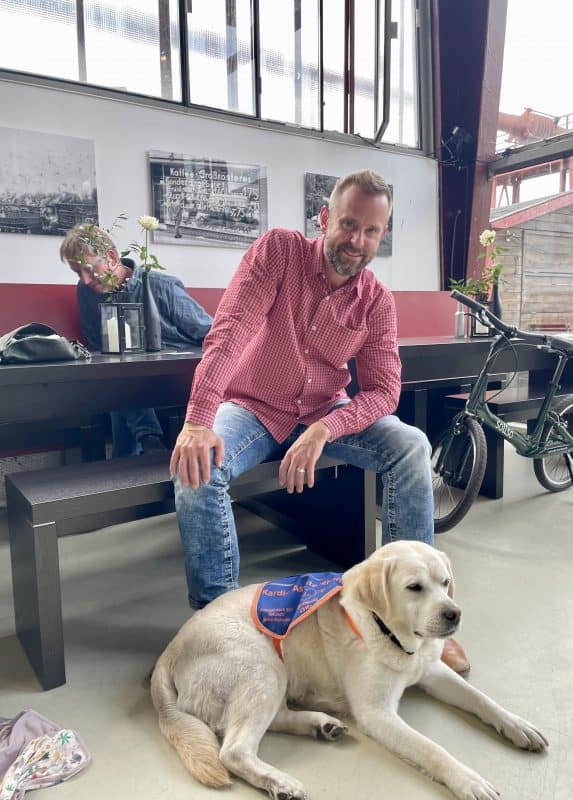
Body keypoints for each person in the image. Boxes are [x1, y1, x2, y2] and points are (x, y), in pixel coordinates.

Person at [169, 170, 469, 674]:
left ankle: (421, 626)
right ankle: (218, 625)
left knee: (412, 445)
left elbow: (383, 391)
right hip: (252, 407)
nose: (358, 241)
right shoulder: (279, 252)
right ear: (325, 217)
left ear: (382, 234)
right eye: (349, 224)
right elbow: (231, 331)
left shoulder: (376, 300)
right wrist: (199, 420)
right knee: (195, 468)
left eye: (372, 231)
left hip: (325, 413)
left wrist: (327, 428)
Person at [59, 224, 213, 457]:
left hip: (176, 378)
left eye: (89, 268)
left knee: (120, 389)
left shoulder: (161, 286)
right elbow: (97, 347)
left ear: (111, 256)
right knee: (119, 380)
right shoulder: (86, 292)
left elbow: (211, 333)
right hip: (129, 382)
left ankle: (141, 449)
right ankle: (148, 444)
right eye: (77, 272)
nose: (86, 279)